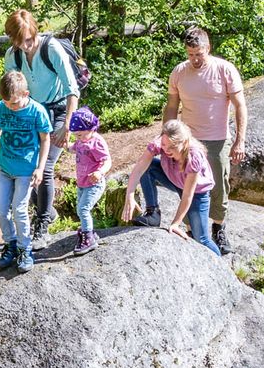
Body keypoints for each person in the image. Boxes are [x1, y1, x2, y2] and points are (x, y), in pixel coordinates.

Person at [1, 9, 81, 248]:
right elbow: (11, 92)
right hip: (32, 114)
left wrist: (67, 126)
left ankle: (42, 225)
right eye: (18, 42)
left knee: (44, 166)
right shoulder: (12, 56)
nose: (24, 46)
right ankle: (49, 210)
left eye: (26, 40)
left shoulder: (52, 49)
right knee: (28, 167)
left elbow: (72, 89)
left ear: (33, 31)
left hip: (57, 113)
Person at [164, 26, 246, 254]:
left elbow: (240, 106)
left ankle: (219, 227)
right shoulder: (179, 72)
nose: (195, 59)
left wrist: (240, 140)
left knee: (219, 185)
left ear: (208, 48)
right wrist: (166, 137)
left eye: (199, 54)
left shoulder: (224, 70)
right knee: (187, 184)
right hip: (188, 141)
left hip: (217, 139)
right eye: (190, 55)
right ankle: (191, 228)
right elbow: (171, 106)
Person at [0, 70, 54, 271]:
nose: (10, 107)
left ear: (26, 94)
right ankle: (10, 244)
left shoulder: (37, 112)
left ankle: (25, 250)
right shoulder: (2, 108)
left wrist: (40, 168)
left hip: (26, 171)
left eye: (14, 103)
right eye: (7, 103)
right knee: (0, 211)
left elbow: (45, 140)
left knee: (19, 210)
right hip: (5, 169)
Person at [121, 119, 220, 255]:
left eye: (172, 147)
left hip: (197, 193)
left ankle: (220, 266)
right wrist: (129, 195)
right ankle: (153, 214)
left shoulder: (194, 155)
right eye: (164, 145)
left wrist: (175, 223)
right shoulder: (160, 144)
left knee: (201, 238)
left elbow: (187, 195)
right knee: (148, 167)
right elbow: (139, 168)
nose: (166, 150)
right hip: (174, 180)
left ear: (184, 143)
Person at [66, 107, 111, 256]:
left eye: (80, 134)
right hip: (82, 183)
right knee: (80, 208)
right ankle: (90, 232)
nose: (78, 138)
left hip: (94, 184)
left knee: (83, 209)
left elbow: (107, 161)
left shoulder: (96, 142)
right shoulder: (81, 140)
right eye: (76, 135)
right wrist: (65, 145)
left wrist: (100, 172)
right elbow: (74, 148)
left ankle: (88, 238)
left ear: (91, 128)